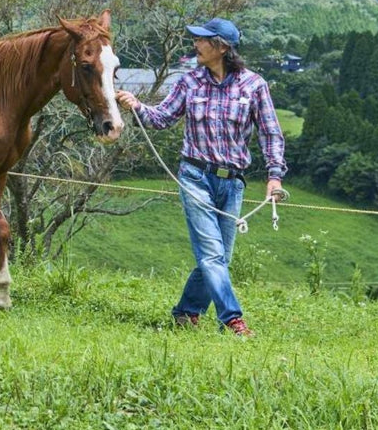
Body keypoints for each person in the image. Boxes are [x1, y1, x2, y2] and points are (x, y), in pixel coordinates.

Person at [118, 17, 286, 337]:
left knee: (219, 258)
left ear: (221, 47)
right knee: (212, 254)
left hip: (233, 182)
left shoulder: (254, 85)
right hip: (194, 175)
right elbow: (162, 117)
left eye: (202, 40)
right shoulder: (189, 81)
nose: (195, 44)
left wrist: (274, 176)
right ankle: (232, 320)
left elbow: (271, 133)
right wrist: (136, 105)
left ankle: (185, 313)